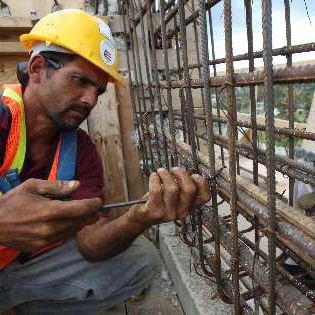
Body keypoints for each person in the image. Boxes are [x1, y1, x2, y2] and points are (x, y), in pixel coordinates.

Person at [0, 9, 210, 314]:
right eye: (80, 80)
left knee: (139, 259)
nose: (90, 100)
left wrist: (139, 217)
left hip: (17, 266)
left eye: (98, 90)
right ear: (37, 67)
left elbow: (89, 245)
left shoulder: (79, 149)